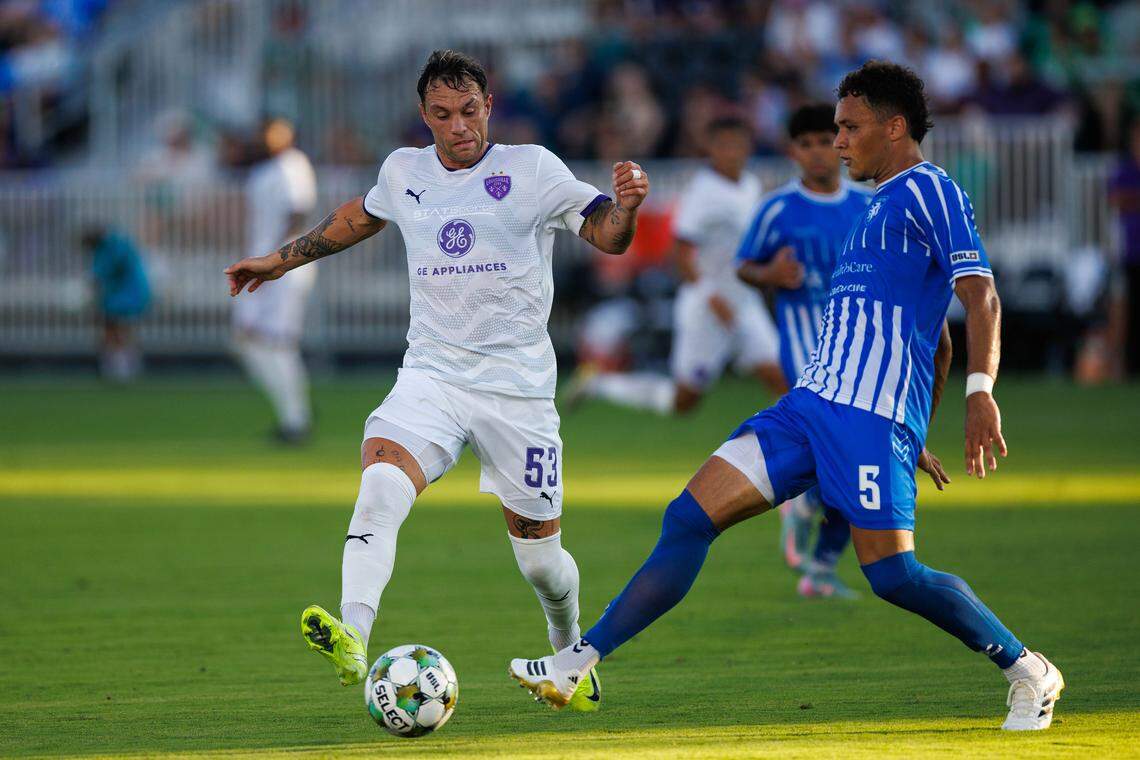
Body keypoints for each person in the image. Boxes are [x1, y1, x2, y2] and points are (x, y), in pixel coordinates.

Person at [509, 61, 1064, 732]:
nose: (838, 141)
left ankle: (1028, 669)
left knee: (892, 576)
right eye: (834, 128)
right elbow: (935, 342)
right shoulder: (873, 206)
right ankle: (580, 659)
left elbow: (980, 295)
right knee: (687, 519)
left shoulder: (930, 191)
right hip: (808, 408)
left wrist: (979, 394)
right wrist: (920, 426)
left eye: (850, 127)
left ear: (894, 127)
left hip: (866, 418)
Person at [224, 50, 650, 713]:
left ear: (489, 105)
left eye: (470, 111)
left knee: (541, 563)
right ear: (425, 116)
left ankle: (570, 652)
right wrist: (280, 262)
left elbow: (607, 235)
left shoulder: (533, 169)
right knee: (379, 484)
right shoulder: (403, 171)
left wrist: (624, 208)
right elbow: (358, 217)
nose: (459, 127)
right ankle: (354, 635)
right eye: (444, 115)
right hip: (432, 376)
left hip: (518, 392)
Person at [735, 103, 876, 598]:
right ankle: (808, 509)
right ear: (794, 151)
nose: (818, 151)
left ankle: (817, 562)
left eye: (827, 139)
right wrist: (770, 276)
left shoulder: (867, 205)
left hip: (862, 357)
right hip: (805, 354)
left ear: (842, 143)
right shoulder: (778, 208)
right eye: (807, 143)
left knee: (855, 465)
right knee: (847, 457)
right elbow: (744, 267)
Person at [567, 116, 784, 415]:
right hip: (707, 308)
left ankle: (793, 450)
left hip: (743, 303)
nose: (732, 152)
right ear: (712, 148)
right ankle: (601, 384)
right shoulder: (704, 192)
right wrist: (712, 296)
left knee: (782, 381)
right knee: (683, 402)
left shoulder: (750, 184)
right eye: (725, 145)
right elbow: (681, 252)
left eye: (738, 144)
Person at [231, 117, 318, 444]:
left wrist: (277, 258)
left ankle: (296, 420)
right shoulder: (263, 170)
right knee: (248, 340)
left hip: (285, 268)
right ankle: (294, 407)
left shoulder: (292, 165)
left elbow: (298, 211)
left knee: (275, 341)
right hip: (262, 267)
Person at [81, 226, 151, 383]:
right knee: (116, 328)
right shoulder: (115, 245)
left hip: (126, 296)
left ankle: (121, 366)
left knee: (116, 327)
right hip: (123, 295)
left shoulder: (111, 248)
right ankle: (121, 365)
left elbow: (103, 273)